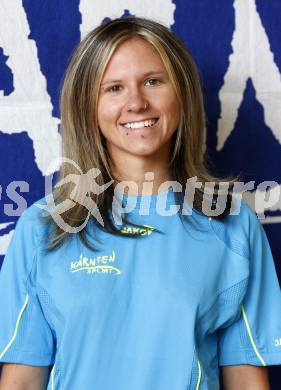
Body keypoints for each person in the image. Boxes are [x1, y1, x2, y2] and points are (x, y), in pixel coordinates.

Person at [0, 16, 280, 390]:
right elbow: (21, 381)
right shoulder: (44, 227)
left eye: (153, 81)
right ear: (88, 106)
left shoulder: (233, 224)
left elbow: (247, 380)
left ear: (181, 92)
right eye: (113, 88)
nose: (136, 102)